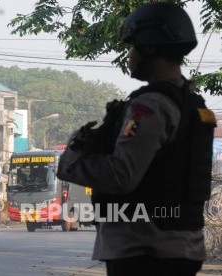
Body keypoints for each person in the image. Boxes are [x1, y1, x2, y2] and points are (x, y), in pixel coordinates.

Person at [56, 3, 216, 276]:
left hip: (145, 251)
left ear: (150, 48)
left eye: (132, 48)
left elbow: (122, 175)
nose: (128, 56)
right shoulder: (191, 105)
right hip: (174, 247)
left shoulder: (150, 107)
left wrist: (73, 156)